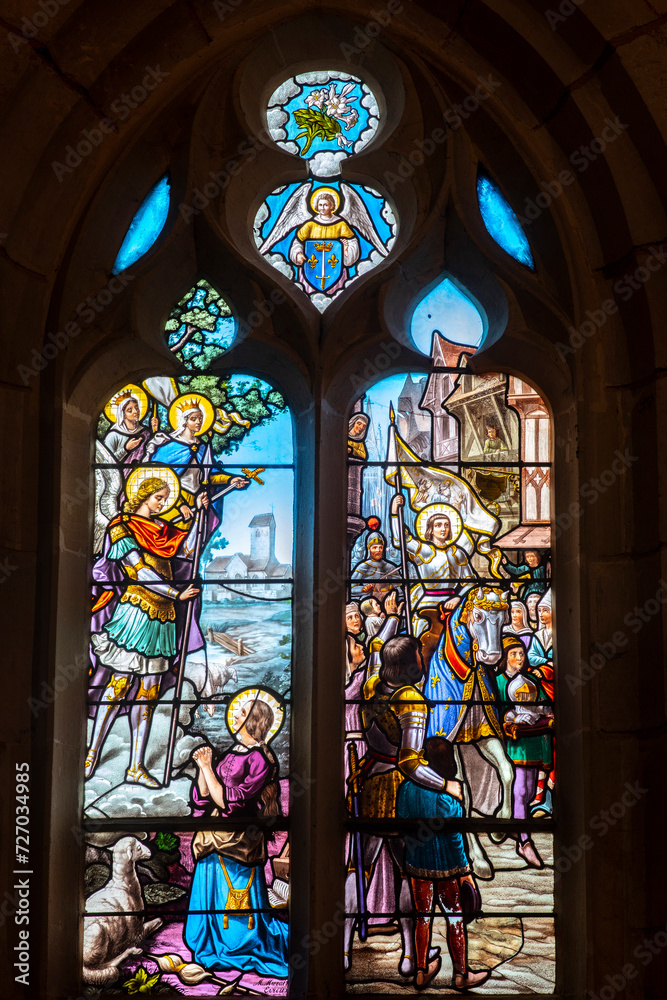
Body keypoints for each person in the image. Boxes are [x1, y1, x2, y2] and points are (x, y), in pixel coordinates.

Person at [86, 475, 205, 787]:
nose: (163, 504)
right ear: (142, 496)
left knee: (149, 694)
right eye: (158, 498)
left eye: (166, 499)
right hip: (137, 610)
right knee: (118, 687)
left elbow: (187, 553)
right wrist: (175, 593)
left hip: (163, 619)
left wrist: (196, 520)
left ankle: (136, 766)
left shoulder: (164, 530)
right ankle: (91, 754)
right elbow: (138, 571)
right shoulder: (121, 527)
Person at [185, 694, 289, 979]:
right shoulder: (232, 752)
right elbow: (205, 798)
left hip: (240, 837)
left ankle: (235, 945)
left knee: (235, 897)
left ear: (254, 721)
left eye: (242, 712)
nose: (235, 716)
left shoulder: (260, 759)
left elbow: (231, 803)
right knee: (211, 891)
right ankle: (211, 941)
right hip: (214, 834)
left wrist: (208, 768)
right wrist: (201, 767)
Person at [396, 736, 488, 992]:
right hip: (447, 868)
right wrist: (466, 871)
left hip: (417, 865)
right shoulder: (448, 793)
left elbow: (402, 824)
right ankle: (461, 975)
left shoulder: (407, 788)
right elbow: (455, 837)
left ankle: (421, 971)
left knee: (422, 919)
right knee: (455, 918)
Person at [495, 637, 553, 868]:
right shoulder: (497, 681)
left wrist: (544, 716)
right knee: (519, 791)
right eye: (513, 654)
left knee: (528, 792)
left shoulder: (529, 680)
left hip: (533, 742)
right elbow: (495, 711)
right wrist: (510, 721)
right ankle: (524, 841)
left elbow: (544, 706)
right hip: (513, 744)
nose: (519, 658)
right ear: (504, 657)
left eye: (521, 653)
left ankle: (517, 825)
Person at [147, 395, 248, 524]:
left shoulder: (203, 449)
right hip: (172, 503)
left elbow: (207, 477)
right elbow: (158, 479)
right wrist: (180, 505)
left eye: (200, 418)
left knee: (192, 543)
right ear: (184, 421)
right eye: (193, 419)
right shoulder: (169, 448)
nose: (198, 422)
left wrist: (230, 480)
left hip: (199, 502)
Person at [290, 190, 360, 294]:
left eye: (325, 205)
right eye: (320, 205)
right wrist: (298, 254)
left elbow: (353, 241)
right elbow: (297, 242)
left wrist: (346, 252)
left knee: (337, 292)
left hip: (335, 270)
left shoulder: (341, 224)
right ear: (316, 206)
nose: (322, 208)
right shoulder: (310, 225)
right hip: (311, 269)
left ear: (332, 206)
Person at [103, 389, 158, 464]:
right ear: (123, 414)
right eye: (130, 410)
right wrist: (126, 449)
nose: (135, 412)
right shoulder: (113, 435)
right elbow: (106, 462)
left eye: (136, 408)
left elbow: (153, 453)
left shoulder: (145, 432)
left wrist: (156, 430)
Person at [351, 529, 401, 601]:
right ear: (369, 549)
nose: (378, 550)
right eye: (374, 548)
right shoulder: (363, 567)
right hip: (368, 603)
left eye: (380, 547)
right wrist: (363, 589)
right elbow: (351, 588)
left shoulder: (390, 567)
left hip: (388, 602)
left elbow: (400, 588)